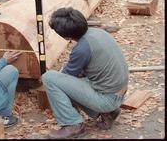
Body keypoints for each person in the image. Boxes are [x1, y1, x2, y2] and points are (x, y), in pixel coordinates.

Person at [41, 7, 128, 139]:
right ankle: (108, 113)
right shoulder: (98, 32)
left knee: (49, 78)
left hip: (108, 99)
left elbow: (66, 77)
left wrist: (53, 76)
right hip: (118, 93)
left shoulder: (81, 49)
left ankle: (73, 125)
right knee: (73, 77)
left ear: (65, 36)